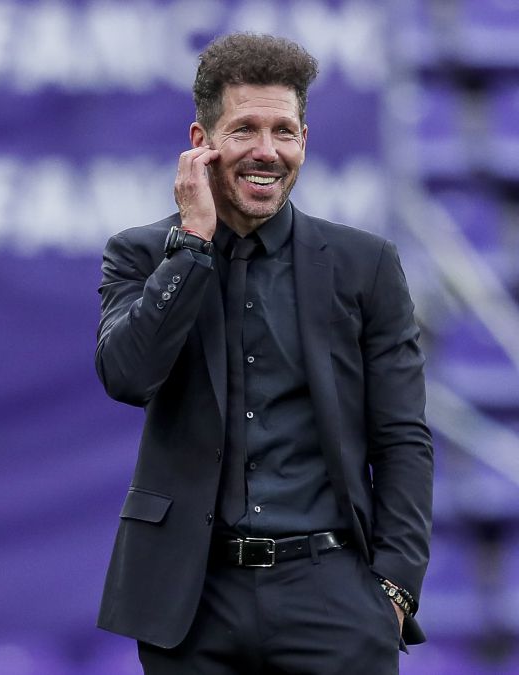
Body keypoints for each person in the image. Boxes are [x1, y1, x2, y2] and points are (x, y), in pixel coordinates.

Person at [93, 33, 433, 674]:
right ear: (202, 143)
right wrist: (192, 245)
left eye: (285, 130)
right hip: (191, 603)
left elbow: (403, 438)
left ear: (305, 138)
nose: (267, 151)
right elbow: (127, 375)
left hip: (333, 596)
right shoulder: (142, 254)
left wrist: (394, 587)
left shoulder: (367, 266)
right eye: (245, 129)